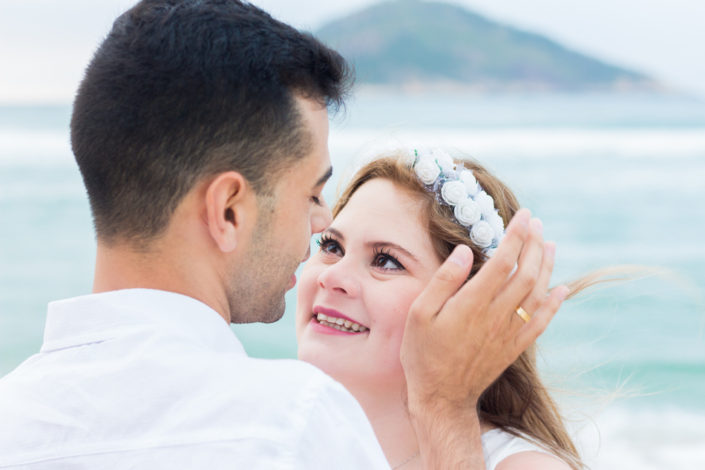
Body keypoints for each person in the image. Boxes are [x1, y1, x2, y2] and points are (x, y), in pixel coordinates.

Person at [0, 1, 565, 468]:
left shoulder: (13, 419)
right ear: (227, 211)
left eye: (385, 259)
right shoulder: (292, 425)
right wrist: (445, 409)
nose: (320, 225)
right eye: (312, 196)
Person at [296, 149, 581, 470]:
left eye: (386, 261)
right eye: (332, 246)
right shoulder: (283, 439)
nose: (331, 277)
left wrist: (444, 409)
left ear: (471, 308)